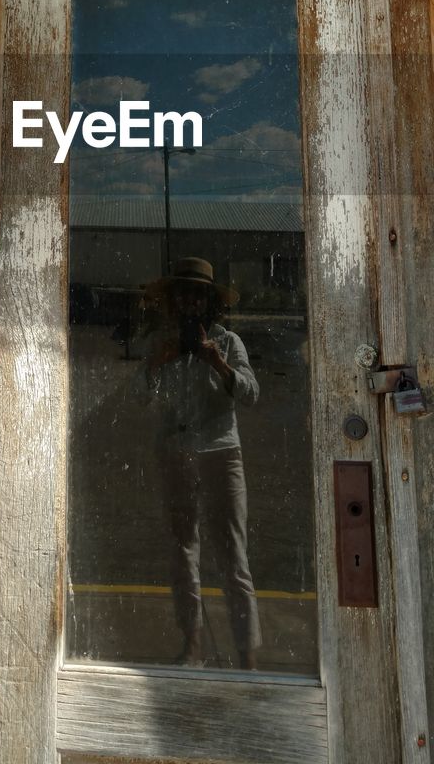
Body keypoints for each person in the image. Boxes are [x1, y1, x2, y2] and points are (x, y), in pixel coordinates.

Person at [144, 257, 261, 669]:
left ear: (210, 303)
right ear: (175, 302)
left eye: (198, 295)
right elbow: (140, 399)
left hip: (221, 453)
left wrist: (217, 362)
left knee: (233, 556)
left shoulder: (228, 342)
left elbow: (250, 393)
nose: (191, 302)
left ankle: (247, 655)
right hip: (176, 454)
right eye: (184, 295)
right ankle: (191, 645)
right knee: (183, 553)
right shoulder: (160, 342)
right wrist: (159, 361)